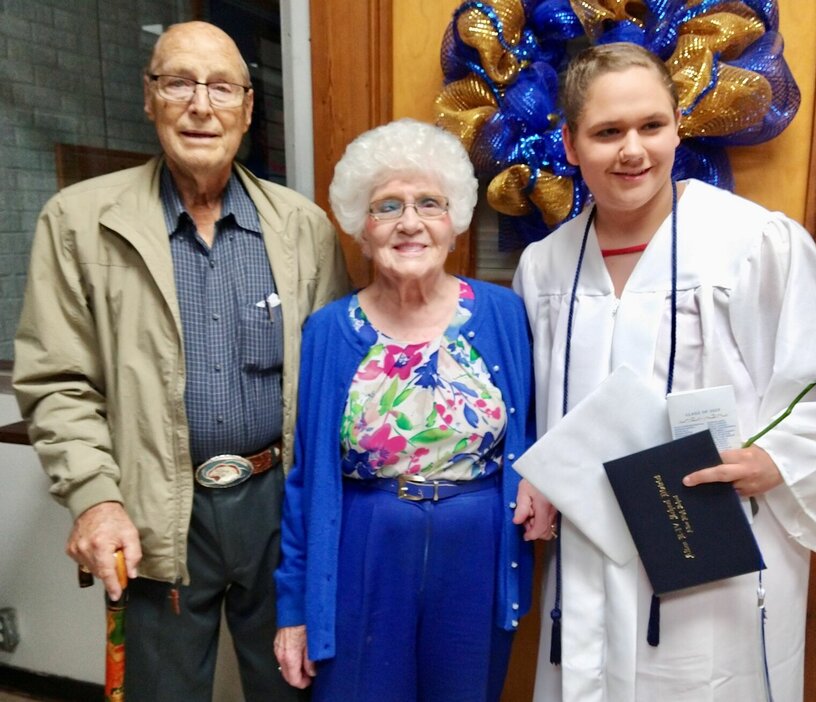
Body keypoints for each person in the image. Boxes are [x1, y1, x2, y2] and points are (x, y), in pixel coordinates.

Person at [13, 21, 349, 702]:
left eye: (222, 86)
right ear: (150, 98)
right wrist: (96, 499)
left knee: (295, 688)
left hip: (278, 506)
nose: (201, 105)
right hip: (154, 505)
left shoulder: (303, 227)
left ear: (249, 108)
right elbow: (57, 382)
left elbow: (332, 384)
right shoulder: (78, 221)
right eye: (179, 83)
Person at [513, 42, 816, 701]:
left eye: (651, 125)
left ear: (678, 124)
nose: (633, 150)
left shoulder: (753, 244)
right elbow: (533, 410)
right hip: (589, 550)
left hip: (713, 538)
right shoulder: (544, 268)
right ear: (571, 144)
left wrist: (774, 459)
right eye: (607, 132)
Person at [272, 118, 557, 701]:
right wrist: (294, 611)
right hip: (362, 548)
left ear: (454, 221)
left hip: (479, 549)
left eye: (430, 203)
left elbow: (536, 427)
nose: (410, 222)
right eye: (387, 207)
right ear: (361, 227)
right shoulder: (329, 331)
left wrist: (537, 474)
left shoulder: (504, 315)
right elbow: (306, 484)